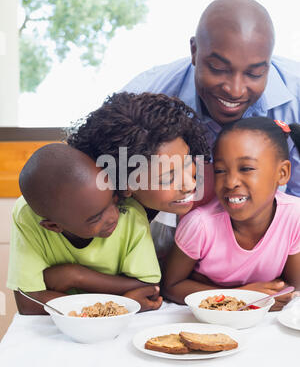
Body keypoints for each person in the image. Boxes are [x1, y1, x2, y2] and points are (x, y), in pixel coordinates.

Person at [122, 0, 300, 197]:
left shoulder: (296, 94)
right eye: (218, 68)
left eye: (254, 74)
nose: (235, 90)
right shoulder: (141, 99)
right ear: (194, 51)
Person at [7, 143, 162, 315]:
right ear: (53, 226)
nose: (113, 216)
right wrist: (123, 301)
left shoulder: (131, 213)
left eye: (113, 198)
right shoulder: (28, 216)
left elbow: (150, 290)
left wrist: (76, 276)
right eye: (96, 218)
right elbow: (28, 303)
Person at [163, 117, 300, 311]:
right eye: (220, 170)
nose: (230, 182)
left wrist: (281, 295)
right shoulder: (200, 225)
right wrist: (241, 297)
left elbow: (294, 288)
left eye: (246, 168)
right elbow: (171, 287)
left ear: (283, 173)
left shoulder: (294, 216)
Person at [66, 91, 213, 258]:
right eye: (168, 177)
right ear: (125, 185)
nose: (191, 184)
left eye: (187, 161)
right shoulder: (98, 224)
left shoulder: (211, 198)